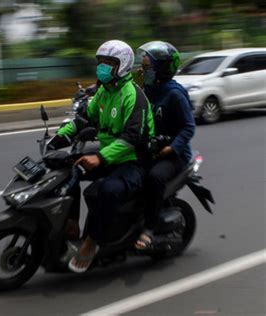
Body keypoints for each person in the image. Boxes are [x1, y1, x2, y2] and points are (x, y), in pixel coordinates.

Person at [52, 40, 154, 273]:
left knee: (108, 190)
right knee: (69, 169)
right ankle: (72, 224)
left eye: (109, 63)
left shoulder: (132, 95)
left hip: (133, 160)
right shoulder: (104, 93)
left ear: (123, 65)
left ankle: (91, 243)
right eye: (101, 62)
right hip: (111, 156)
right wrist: (60, 136)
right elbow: (85, 120)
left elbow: (133, 137)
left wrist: (101, 157)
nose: (103, 67)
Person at [135, 41, 196, 250]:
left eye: (147, 67)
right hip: (150, 150)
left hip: (173, 155)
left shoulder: (175, 94)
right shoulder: (146, 90)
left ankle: (150, 228)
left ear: (162, 68)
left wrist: (172, 147)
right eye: (143, 67)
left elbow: (188, 127)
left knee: (154, 177)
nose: (144, 71)